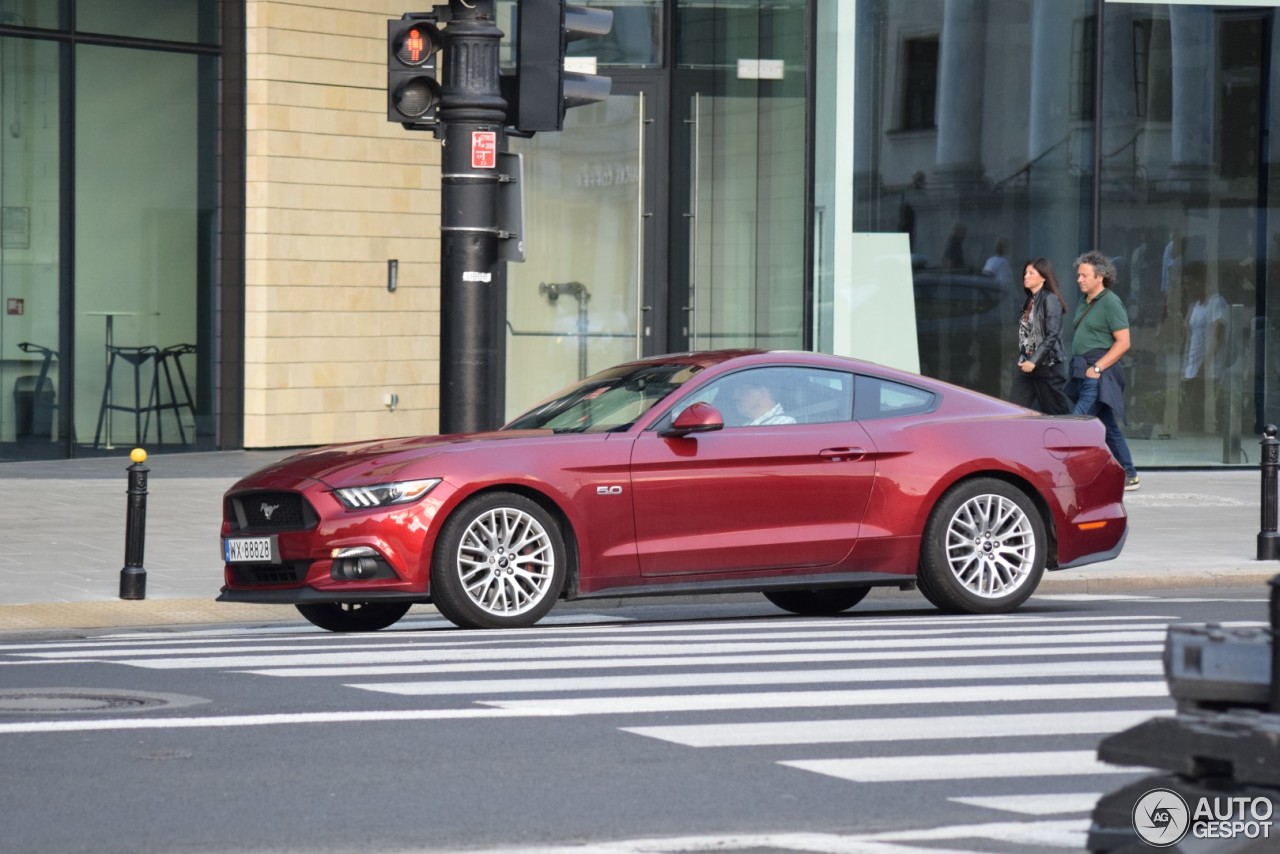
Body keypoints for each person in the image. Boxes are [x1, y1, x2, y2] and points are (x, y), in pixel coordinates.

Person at [1069, 250, 1140, 491]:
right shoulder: (1084, 301)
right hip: (1082, 370)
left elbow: (1124, 342)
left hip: (1097, 372)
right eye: (1078, 275)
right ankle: (1129, 473)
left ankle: (1068, 475)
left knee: (1076, 423)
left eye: (1084, 275)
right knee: (1107, 426)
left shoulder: (1110, 301)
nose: (1079, 279)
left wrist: (1097, 368)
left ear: (1100, 277)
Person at [1010, 258, 1071, 415]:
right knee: (1014, 409)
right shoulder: (1029, 301)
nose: (1026, 276)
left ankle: (1075, 437)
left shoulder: (1050, 299)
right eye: (1025, 273)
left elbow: (1052, 335)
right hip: (1028, 369)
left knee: (1057, 413)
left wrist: (1033, 360)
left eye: (1031, 273)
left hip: (1047, 368)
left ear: (1043, 277)